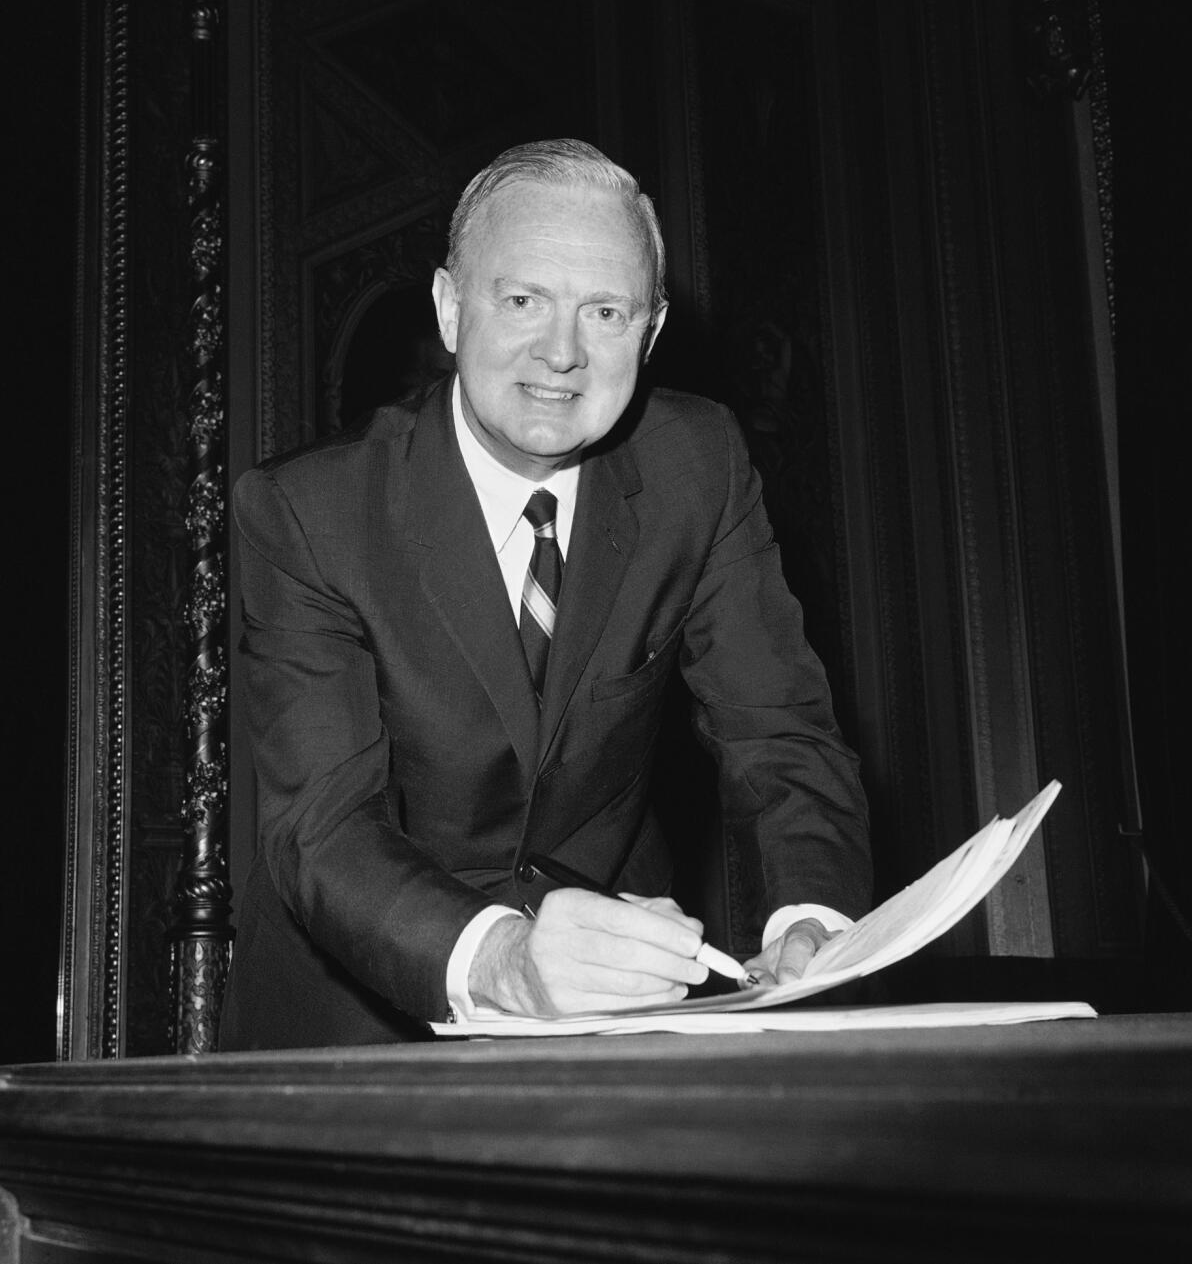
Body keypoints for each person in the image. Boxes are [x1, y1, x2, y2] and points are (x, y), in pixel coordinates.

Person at [219, 139, 871, 1049]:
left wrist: (812, 919)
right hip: (357, 1015)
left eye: (605, 311)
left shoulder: (700, 464)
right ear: (450, 309)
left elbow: (780, 729)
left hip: (612, 1003)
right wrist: (502, 961)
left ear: (648, 335)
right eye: (522, 299)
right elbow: (323, 828)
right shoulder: (308, 511)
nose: (561, 352)